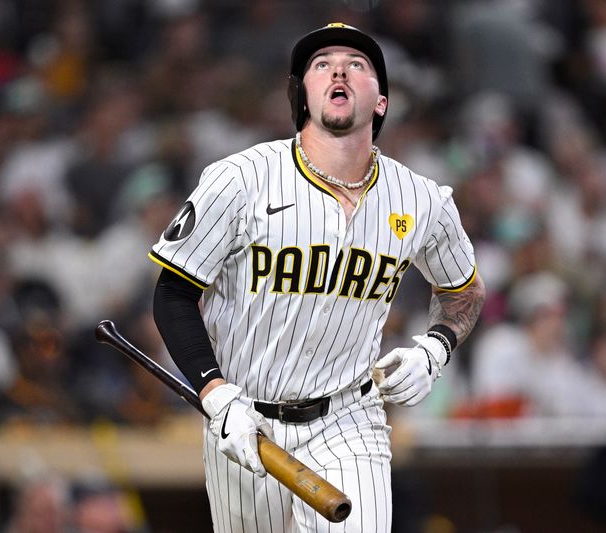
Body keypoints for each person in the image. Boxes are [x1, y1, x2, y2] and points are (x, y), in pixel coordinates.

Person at [150, 23, 486, 533]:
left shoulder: (422, 198)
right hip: (244, 420)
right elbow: (173, 293)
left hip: (350, 418)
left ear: (381, 102)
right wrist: (214, 393)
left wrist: (433, 349)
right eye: (321, 64)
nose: (338, 71)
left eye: (357, 64)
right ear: (303, 96)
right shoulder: (241, 178)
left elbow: (464, 292)